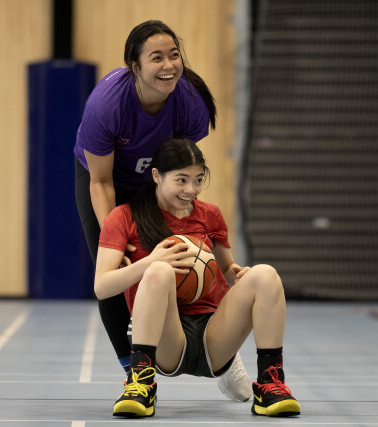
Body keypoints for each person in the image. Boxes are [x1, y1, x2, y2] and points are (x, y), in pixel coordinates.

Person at [73, 20, 250, 401]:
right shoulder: (107, 106)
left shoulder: (190, 103)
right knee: (116, 275)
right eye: (156, 58)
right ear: (134, 67)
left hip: (159, 178)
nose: (169, 65)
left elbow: (182, 165)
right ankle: (137, 376)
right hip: (107, 180)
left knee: (188, 257)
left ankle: (222, 353)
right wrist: (117, 242)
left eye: (174, 55)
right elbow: (100, 182)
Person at [94, 138, 301, 418]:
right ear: (157, 175)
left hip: (213, 336)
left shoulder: (210, 215)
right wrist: (150, 262)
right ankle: (140, 383)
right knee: (159, 270)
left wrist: (239, 274)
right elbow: (102, 287)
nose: (191, 190)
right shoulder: (123, 217)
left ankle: (270, 384)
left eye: (198, 180)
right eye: (181, 180)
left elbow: (227, 268)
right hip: (166, 340)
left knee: (266, 274)